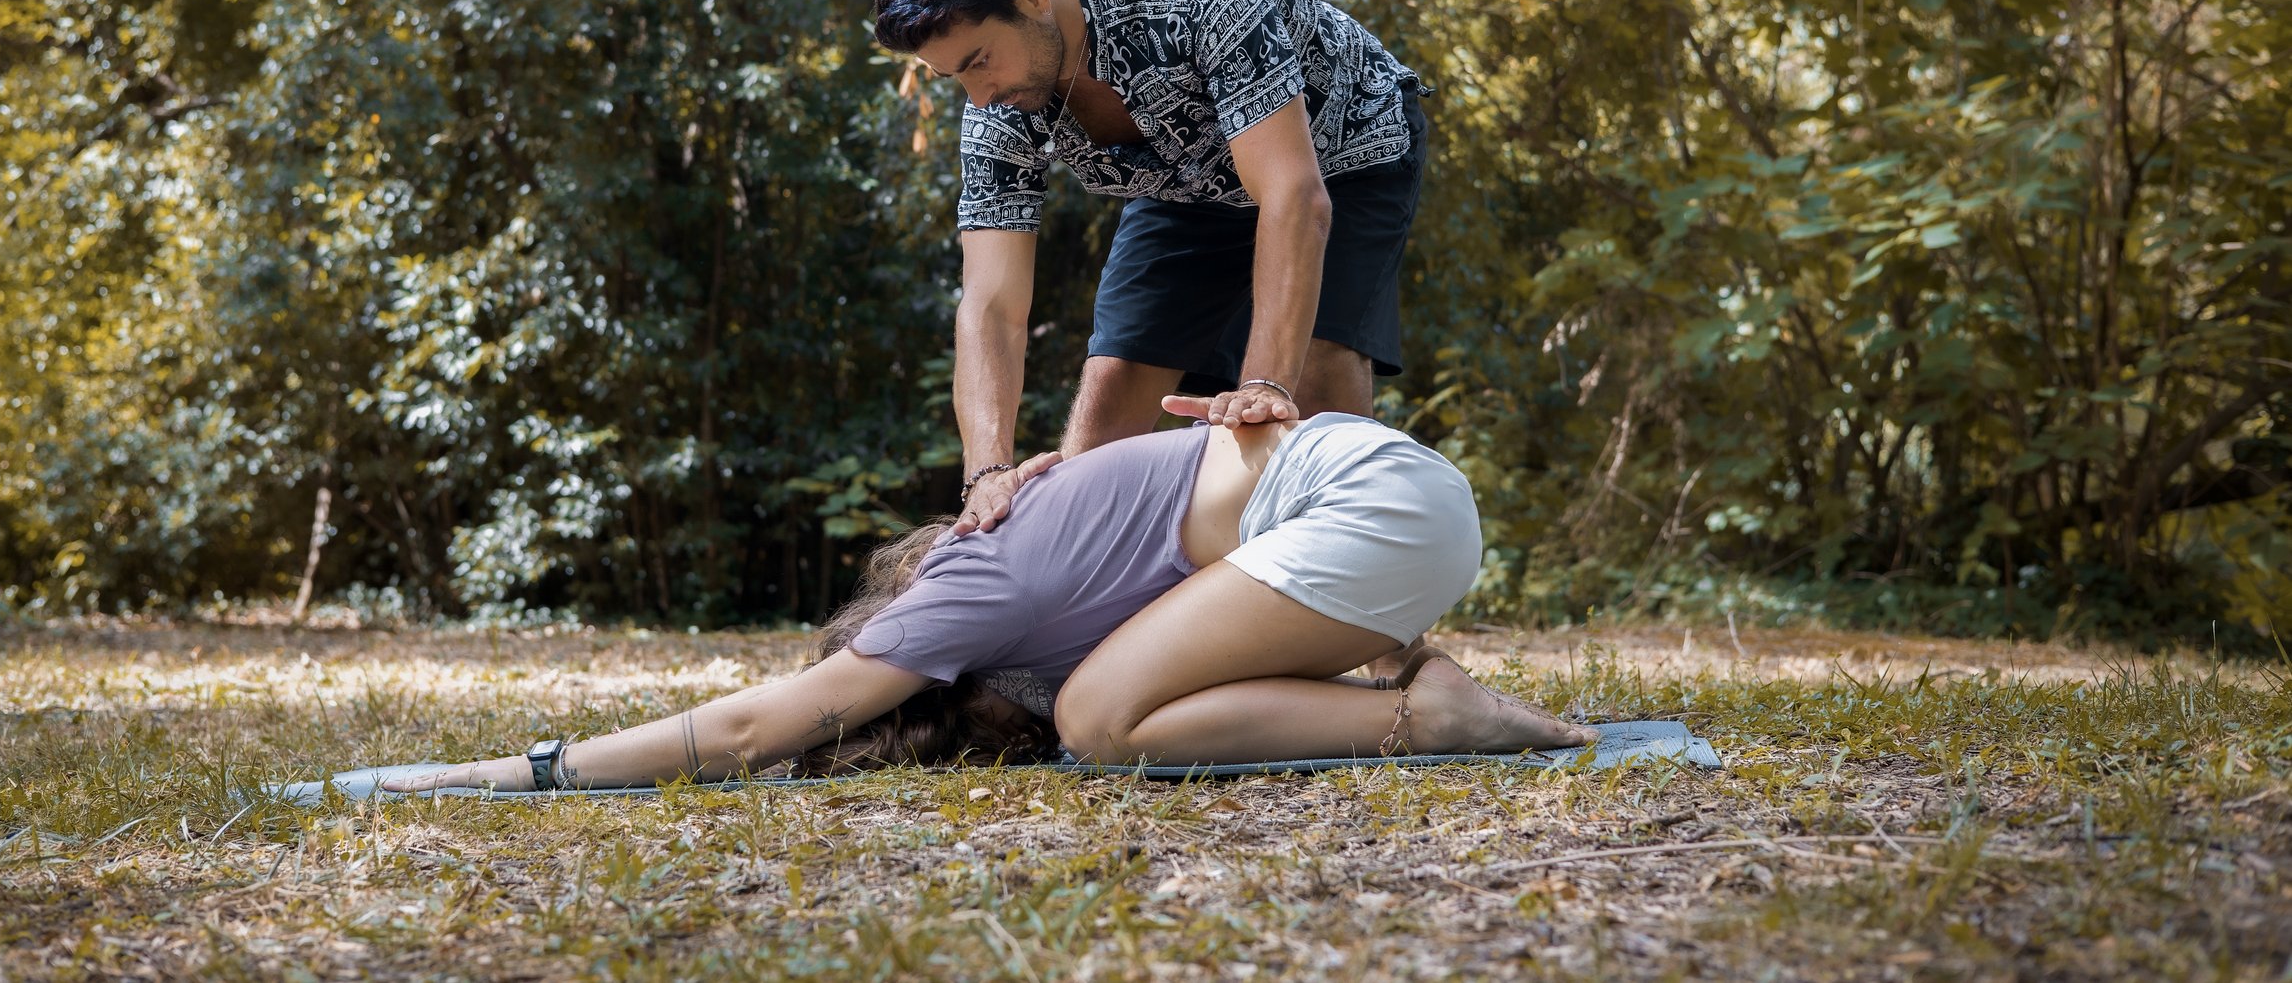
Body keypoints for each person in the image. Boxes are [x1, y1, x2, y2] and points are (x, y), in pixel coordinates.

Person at [382, 408, 1591, 793]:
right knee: (1120, 703)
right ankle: (1410, 690)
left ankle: (1429, 717)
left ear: (902, 626)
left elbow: (759, 725)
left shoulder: (968, 580)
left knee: (1104, 722)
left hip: (1369, 504)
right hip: (1396, 509)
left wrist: (521, 771)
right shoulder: (1020, 552)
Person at [870, 0, 1427, 536]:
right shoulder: (999, 109)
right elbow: (991, 304)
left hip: (1336, 154)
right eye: (953, 78)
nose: (979, 96)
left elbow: (1292, 197)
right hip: (1184, 187)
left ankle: (1374, 622)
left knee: (1316, 373)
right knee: (1108, 399)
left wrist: (1266, 382)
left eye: (978, 62)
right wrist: (986, 471)